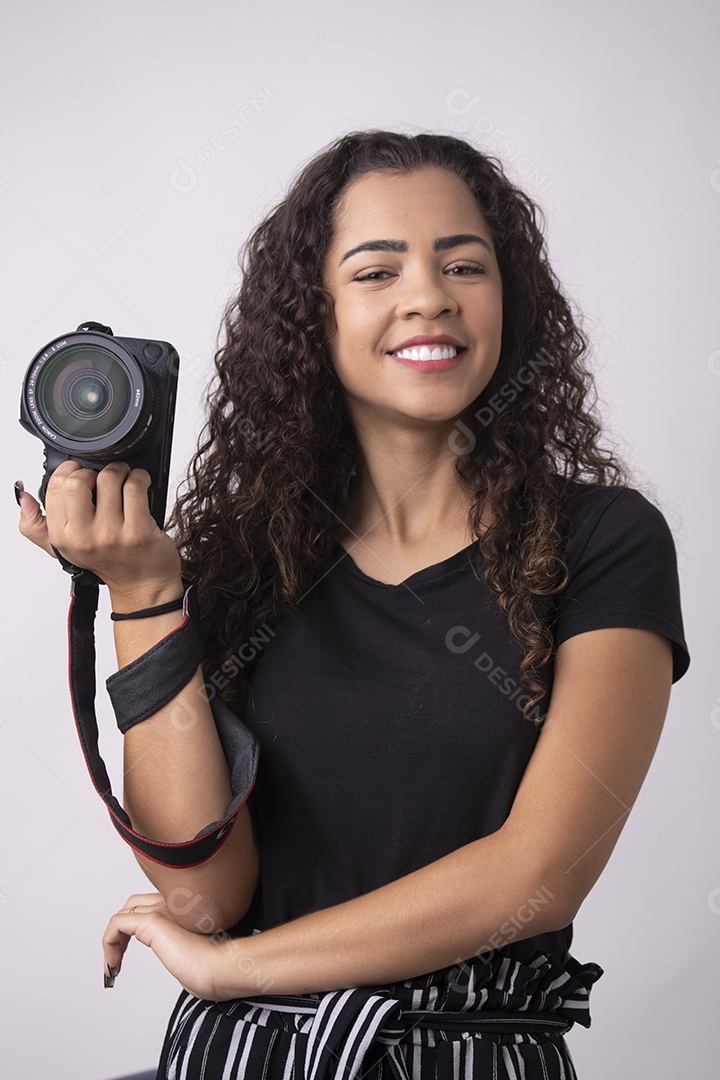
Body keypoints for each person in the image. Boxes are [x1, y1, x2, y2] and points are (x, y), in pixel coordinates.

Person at [17, 130, 690, 1079]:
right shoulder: (241, 560)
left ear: (512, 299)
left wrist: (237, 968)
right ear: (312, 316)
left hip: (470, 1059)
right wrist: (142, 593)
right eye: (377, 271)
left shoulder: (604, 543)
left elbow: (538, 877)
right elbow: (208, 895)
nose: (430, 296)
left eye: (465, 263)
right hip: (239, 1059)